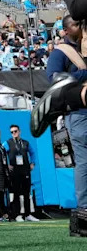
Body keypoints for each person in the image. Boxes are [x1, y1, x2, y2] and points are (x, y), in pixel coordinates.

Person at [45, 15, 87, 212]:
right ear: (66, 30)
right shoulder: (61, 52)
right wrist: (83, 73)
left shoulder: (84, 48)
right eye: (76, 24)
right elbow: (55, 79)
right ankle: (84, 207)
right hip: (78, 113)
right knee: (84, 161)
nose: (81, 27)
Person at [5, 125, 38, 222]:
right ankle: (17, 214)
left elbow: (33, 153)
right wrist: (6, 165)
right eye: (12, 132)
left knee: (26, 192)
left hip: (25, 170)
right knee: (16, 193)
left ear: (19, 131)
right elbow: (1, 153)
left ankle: (28, 214)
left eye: (15, 131)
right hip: (14, 171)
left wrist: (33, 163)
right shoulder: (7, 143)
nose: (14, 133)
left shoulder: (25, 143)